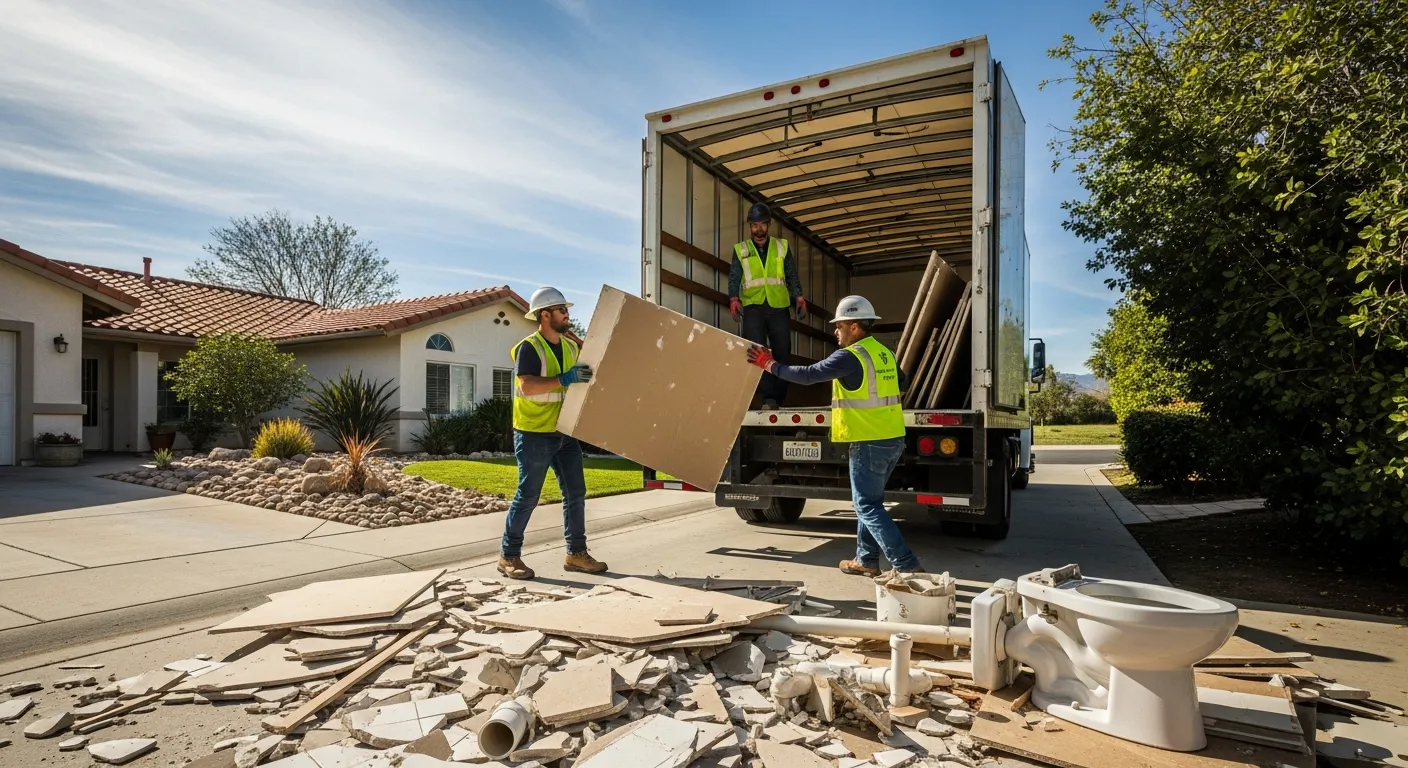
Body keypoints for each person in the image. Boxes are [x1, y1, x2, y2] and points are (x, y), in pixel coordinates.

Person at [746, 295, 924, 577]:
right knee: (870, 502)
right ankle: (866, 560)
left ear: (855, 326)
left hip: (869, 442)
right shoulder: (883, 353)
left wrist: (769, 365)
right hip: (892, 439)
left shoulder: (849, 357)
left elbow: (807, 375)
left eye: (839, 325)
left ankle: (906, 565)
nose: (835, 331)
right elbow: (902, 382)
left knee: (866, 505)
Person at [497, 286, 609, 580]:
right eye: (562, 310)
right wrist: (564, 379)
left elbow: (590, 364)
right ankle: (508, 556)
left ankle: (576, 553)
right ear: (545, 315)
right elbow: (527, 386)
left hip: (565, 431)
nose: (567, 315)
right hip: (534, 433)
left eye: (566, 310)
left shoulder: (570, 347)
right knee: (528, 495)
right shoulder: (529, 347)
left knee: (575, 492)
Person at [729, 202, 806, 408]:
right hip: (753, 307)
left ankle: (780, 397)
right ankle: (768, 398)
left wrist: (798, 297)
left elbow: (790, 274)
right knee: (757, 353)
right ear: (749, 226)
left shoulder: (782, 247)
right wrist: (734, 299)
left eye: (762, 224)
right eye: (754, 225)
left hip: (778, 306)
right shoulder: (741, 249)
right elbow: (735, 276)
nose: (758, 229)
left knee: (782, 352)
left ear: (769, 225)